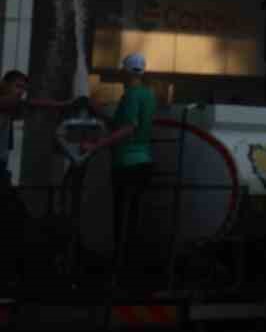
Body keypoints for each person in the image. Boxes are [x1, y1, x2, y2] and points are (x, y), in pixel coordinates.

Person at [83, 54, 158, 279]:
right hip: (144, 161)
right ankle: (130, 270)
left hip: (126, 163)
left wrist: (96, 145)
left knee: (121, 220)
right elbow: (123, 124)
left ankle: (121, 271)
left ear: (125, 71)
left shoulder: (132, 95)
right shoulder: (149, 95)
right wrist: (100, 113)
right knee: (133, 218)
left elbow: (128, 128)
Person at [0, 70, 69, 286]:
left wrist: (60, 105)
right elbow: (27, 104)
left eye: (23, 89)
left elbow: (32, 104)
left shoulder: (12, 105)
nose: (21, 93)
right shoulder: (4, 102)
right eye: (17, 87)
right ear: (5, 85)